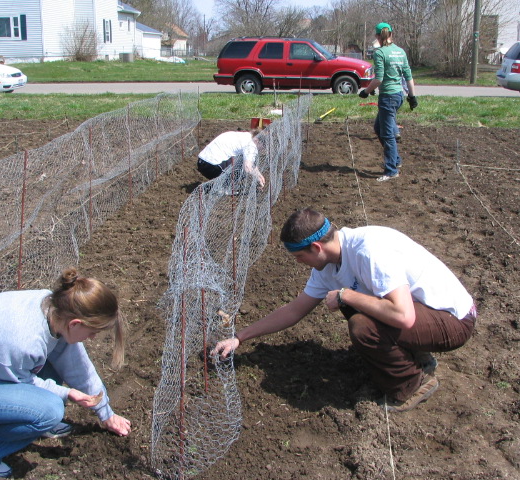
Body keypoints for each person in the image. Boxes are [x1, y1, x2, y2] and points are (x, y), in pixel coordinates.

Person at [213, 208, 477, 413]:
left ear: (316, 247)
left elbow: (403, 316)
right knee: (356, 306)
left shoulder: (369, 250)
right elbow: (294, 310)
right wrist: (241, 337)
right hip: (424, 314)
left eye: (300, 257)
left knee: (363, 324)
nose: (299, 263)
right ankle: (417, 355)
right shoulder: (327, 265)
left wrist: (346, 295)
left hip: (453, 321)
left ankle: (413, 385)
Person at [0, 268, 131, 480]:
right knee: (48, 411)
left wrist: (106, 412)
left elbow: (77, 366)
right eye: (92, 332)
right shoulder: (21, 340)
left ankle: (32, 418)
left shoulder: (55, 310)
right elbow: (15, 382)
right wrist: (65, 393)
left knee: (55, 366)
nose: (92, 338)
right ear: (76, 323)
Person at [359, 22, 418, 182]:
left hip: (387, 97)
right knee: (379, 127)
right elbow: (408, 76)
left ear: (378, 36)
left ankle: (391, 170)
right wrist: (412, 96)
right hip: (398, 95)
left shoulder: (380, 53)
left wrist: (366, 91)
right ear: (391, 34)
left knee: (387, 134)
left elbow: (379, 79)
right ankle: (396, 161)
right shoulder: (400, 52)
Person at [197, 129, 266, 188]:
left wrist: (259, 175)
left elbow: (252, 163)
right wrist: (256, 177)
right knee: (243, 165)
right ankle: (224, 187)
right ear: (257, 141)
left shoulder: (246, 136)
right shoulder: (251, 145)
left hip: (201, 162)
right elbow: (247, 167)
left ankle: (223, 185)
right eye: (262, 147)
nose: (261, 150)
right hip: (211, 167)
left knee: (245, 160)